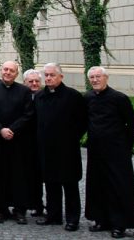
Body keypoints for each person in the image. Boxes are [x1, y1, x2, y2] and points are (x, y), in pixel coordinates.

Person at [84, 66, 134, 238]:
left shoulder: (119, 98)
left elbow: (133, 124)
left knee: (118, 187)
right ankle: (101, 219)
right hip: (95, 150)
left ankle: (119, 224)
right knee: (97, 185)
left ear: (106, 78)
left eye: (98, 77)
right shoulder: (87, 98)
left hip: (117, 151)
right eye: (92, 77)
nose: (95, 80)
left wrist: (125, 146)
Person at [34, 63, 87, 232]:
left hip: (67, 149)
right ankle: (54, 216)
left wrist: (71, 138)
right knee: (51, 184)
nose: (48, 78)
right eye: (46, 75)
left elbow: (83, 121)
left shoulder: (73, 96)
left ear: (60, 77)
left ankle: (72, 219)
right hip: (46, 149)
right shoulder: (40, 96)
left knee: (69, 185)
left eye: (52, 75)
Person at [0, 61, 35, 224]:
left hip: (17, 141)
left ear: (16, 73)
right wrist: (0, 129)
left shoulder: (24, 91)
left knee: (19, 176)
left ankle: (20, 210)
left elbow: (28, 114)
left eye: (11, 70)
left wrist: (12, 129)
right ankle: (0, 209)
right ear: (1, 71)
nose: (7, 72)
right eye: (5, 69)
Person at [23, 69, 45, 217]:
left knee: (41, 175)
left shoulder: (45, 97)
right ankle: (24, 203)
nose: (34, 84)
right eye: (31, 81)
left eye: (37, 81)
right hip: (23, 141)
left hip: (42, 142)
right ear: (25, 83)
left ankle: (38, 205)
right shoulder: (21, 95)